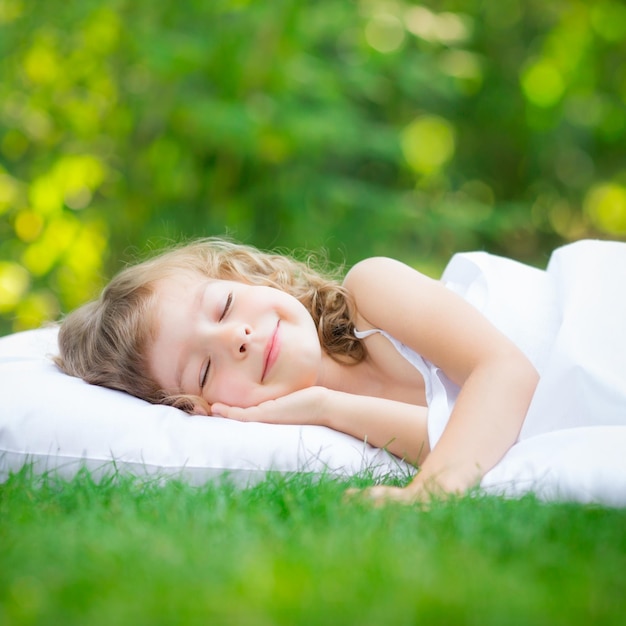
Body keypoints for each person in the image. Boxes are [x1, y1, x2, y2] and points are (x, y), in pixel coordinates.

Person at [55, 236, 626, 503]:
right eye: (202, 370)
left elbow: (504, 374)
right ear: (200, 410)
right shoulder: (315, 431)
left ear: (248, 276)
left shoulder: (371, 292)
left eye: (225, 306)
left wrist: (424, 499)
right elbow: (464, 435)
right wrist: (324, 407)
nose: (238, 339)